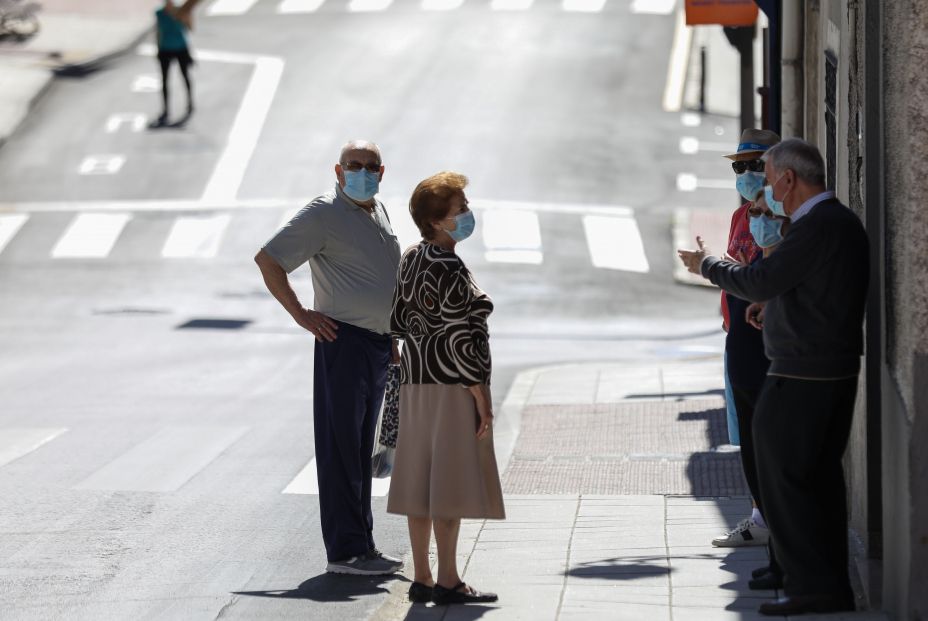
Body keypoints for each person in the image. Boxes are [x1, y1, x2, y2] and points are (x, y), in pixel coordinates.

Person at [678, 138, 869, 616]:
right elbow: (806, 289)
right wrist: (777, 305)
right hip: (820, 369)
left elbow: (761, 279)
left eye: (766, 174)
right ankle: (821, 584)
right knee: (812, 479)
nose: (765, 187)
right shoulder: (830, 224)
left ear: (789, 178)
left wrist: (707, 265)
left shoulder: (817, 225)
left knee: (789, 481)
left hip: (805, 374)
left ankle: (811, 586)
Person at [255, 140, 403, 576]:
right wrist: (300, 314)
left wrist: (390, 335)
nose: (361, 172)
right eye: (353, 166)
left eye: (369, 166)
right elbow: (268, 259)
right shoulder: (323, 213)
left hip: (375, 343)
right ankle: (345, 551)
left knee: (360, 449)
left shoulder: (377, 210)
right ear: (338, 172)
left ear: (381, 172)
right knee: (341, 449)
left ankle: (363, 546)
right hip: (344, 341)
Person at [387, 172, 505, 606]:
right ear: (437, 221)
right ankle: (450, 579)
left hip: (415, 382)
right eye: (461, 209)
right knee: (449, 485)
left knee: (419, 481)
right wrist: (481, 395)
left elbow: (397, 321)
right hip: (451, 384)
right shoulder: (449, 265)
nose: (468, 215)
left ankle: (421, 575)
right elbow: (460, 335)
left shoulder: (412, 256)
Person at [711, 130, 777, 558]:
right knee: (747, 434)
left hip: (764, 337)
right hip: (737, 330)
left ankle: (769, 522)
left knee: (765, 433)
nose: (747, 173)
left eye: (755, 165)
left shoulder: (776, 216)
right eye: (740, 166)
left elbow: (765, 273)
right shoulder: (740, 216)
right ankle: (759, 517)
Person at [151, 1, 196, 128]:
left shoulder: (181, 11)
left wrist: (186, 16)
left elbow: (190, 28)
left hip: (181, 48)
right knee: (164, 80)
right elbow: (158, 31)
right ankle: (166, 109)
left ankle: (190, 103)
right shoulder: (159, 13)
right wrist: (158, 48)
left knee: (185, 76)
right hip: (165, 49)